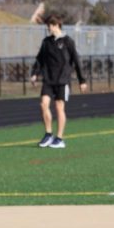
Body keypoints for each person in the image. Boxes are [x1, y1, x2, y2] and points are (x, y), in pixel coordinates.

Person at [29, 14, 88, 149]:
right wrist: (34, 73)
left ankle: (59, 138)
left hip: (63, 80)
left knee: (59, 108)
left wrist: (82, 80)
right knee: (43, 104)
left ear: (56, 25)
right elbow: (39, 59)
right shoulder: (46, 42)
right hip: (48, 80)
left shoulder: (68, 42)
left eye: (49, 26)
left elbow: (77, 61)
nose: (48, 28)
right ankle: (49, 134)